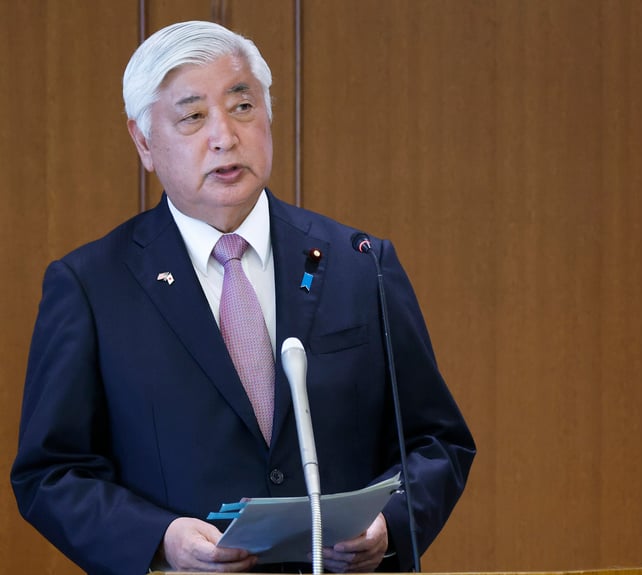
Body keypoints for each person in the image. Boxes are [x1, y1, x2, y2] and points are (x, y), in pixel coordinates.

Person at [10, 20, 475, 575]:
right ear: (144, 142)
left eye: (242, 107)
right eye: (192, 117)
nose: (224, 137)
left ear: (268, 116)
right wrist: (161, 539)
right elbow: (51, 474)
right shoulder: (91, 285)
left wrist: (389, 525)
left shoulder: (360, 263)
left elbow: (436, 442)